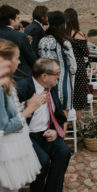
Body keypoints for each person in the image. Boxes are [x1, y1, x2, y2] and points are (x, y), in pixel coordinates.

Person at [16, 58, 71, 192]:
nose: (59, 77)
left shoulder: (52, 86)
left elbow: (58, 113)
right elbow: (13, 121)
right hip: (26, 136)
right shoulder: (22, 88)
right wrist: (28, 107)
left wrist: (55, 131)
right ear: (44, 76)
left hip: (46, 133)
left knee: (64, 152)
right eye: (57, 73)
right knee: (42, 161)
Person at [0, 39, 43, 192]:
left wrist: (25, 106)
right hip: (5, 150)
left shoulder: (6, 82)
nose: (19, 62)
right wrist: (29, 109)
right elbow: (3, 126)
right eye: (17, 58)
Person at [39, 11, 77, 118]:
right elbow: (73, 68)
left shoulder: (42, 41)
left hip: (45, 85)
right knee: (62, 118)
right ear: (62, 25)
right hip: (62, 84)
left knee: (48, 118)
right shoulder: (64, 43)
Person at [64, 8, 89, 121]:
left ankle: (67, 121)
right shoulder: (79, 35)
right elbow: (86, 53)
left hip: (66, 67)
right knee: (79, 96)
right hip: (78, 67)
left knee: (69, 95)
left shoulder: (63, 35)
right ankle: (78, 124)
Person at [0, 5, 37, 81]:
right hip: (21, 78)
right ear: (11, 20)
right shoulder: (20, 36)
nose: (18, 21)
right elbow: (31, 58)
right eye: (17, 19)